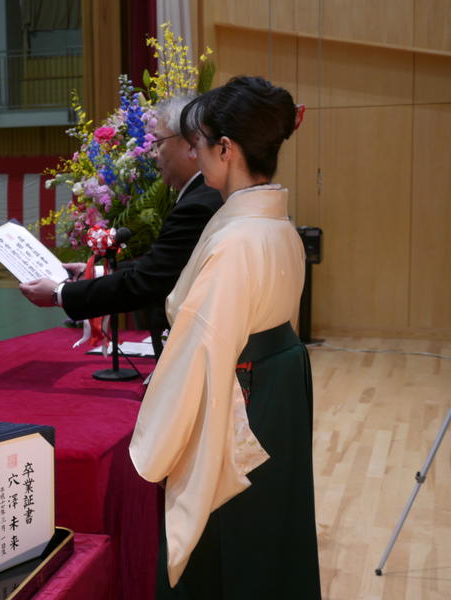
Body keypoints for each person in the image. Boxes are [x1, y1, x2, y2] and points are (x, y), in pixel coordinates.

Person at [129, 76, 320, 599]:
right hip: (274, 396)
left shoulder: (236, 240)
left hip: (241, 406)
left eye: (199, 142)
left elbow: (202, 351)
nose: (193, 152)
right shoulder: (277, 228)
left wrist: (159, 437)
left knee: (225, 547)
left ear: (226, 149)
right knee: (268, 537)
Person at [18, 95, 223, 358]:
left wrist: (60, 294)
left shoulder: (199, 205)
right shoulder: (202, 195)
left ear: (191, 144)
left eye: (159, 143)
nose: (153, 153)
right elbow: (162, 265)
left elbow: (147, 282)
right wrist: (95, 272)